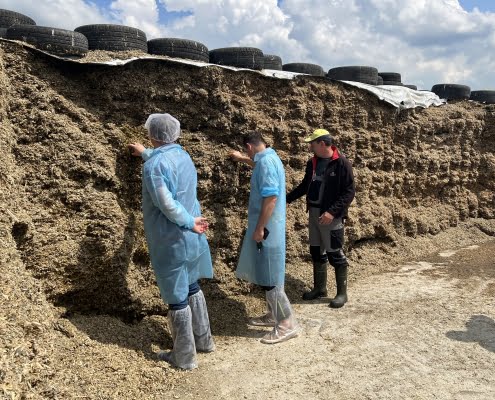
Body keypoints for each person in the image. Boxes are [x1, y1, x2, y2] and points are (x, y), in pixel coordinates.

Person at [128, 113, 215, 370]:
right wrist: (145, 153)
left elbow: (166, 203)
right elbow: (166, 167)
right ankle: (204, 340)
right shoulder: (183, 156)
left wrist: (188, 222)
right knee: (191, 285)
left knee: (176, 295)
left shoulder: (153, 166)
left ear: (152, 134)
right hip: (192, 234)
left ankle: (184, 357)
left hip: (171, 236)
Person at [231, 132, 299, 344]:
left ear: (249, 146)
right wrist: (243, 159)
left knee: (271, 278)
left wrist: (260, 227)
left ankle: (286, 323)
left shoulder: (267, 163)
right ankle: (272, 314)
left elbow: (271, 197)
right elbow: (258, 167)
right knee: (267, 271)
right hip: (270, 225)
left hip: (268, 228)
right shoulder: (269, 157)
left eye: (247, 152)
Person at [286, 129, 355, 308]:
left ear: (322, 144)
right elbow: (305, 186)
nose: (310, 146)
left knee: (335, 253)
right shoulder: (313, 162)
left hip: (331, 217)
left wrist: (332, 212)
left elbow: (349, 192)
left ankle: (342, 294)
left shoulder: (342, 163)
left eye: (312, 143)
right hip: (314, 214)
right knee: (316, 251)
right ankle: (320, 288)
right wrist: (287, 199)